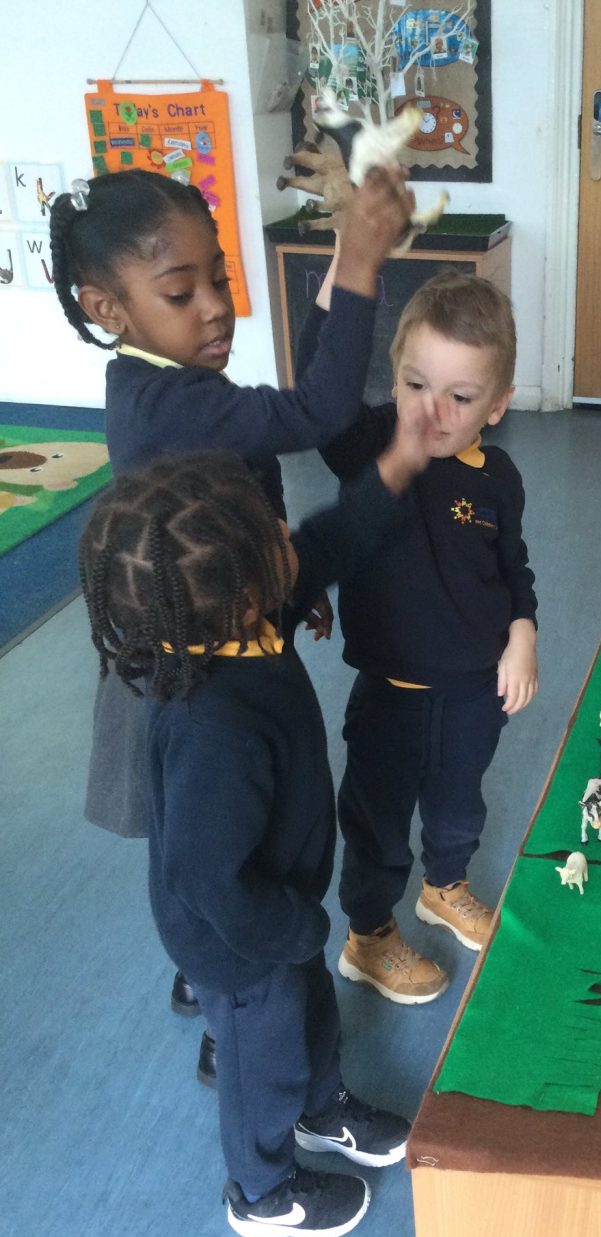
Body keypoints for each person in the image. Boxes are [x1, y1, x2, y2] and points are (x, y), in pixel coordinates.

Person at [49, 164, 413, 1046]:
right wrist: (361, 259)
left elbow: (266, 451)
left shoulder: (170, 382)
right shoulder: (167, 404)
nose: (216, 308)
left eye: (219, 277)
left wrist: (289, 584)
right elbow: (318, 409)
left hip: (229, 615)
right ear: (108, 308)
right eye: (182, 292)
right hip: (197, 666)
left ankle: (210, 969)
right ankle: (230, 1004)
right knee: (221, 839)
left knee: (222, 831)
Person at [77, 450, 430, 1237]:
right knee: (259, 1059)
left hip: (276, 908)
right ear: (241, 592)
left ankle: (321, 1108)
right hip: (236, 938)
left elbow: (327, 543)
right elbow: (207, 878)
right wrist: (293, 929)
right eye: (268, 530)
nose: (283, 525)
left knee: (309, 1009)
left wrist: (397, 464)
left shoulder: (242, 624)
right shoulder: (213, 726)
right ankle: (263, 1190)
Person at [298, 270, 538, 1005]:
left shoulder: (498, 478)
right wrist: (345, 265)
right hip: (391, 696)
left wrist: (523, 632)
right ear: (394, 375)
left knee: (459, 804)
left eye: (460, 397)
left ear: (497, 405)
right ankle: (368, 937)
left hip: (473, 692)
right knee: (376, 822)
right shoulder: (371, 443)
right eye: (414, 385)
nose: (431, 412)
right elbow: (318, 383)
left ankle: (444, 888)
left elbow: (514, 567)